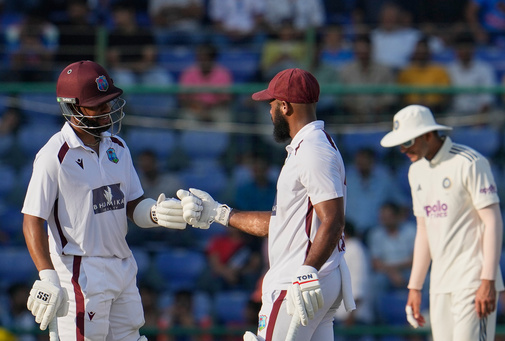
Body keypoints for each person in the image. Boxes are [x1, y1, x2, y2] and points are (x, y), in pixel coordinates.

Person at [177, 68, 355, 341]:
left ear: (285, 106)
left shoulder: (312, 150)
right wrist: (220, 213)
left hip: (297, 279)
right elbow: (282, 222)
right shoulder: (311, 145)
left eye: (271, 104)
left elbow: (334, 219)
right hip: (315, 277)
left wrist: (307, 271)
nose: (269, 111)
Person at [21, 60, 187, 341]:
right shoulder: (54, 156)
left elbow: (133, 205)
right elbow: (32, 220)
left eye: (108, 102)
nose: (107, 111)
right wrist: (47, 275)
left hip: (122, 264)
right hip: (79, 271)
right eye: (97, 106)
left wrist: (158, 213)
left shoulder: (119, 148)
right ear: (72, 108)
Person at [380, 104, 504, 341]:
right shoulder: (415, 171)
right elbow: (424, 230)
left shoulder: (470, 162)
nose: (403, 149)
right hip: (439, 285)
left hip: (473, 280)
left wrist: (487, 280)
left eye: (408, 141)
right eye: (401, 143)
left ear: (428, 134)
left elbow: (493, 221)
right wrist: (415, 287)